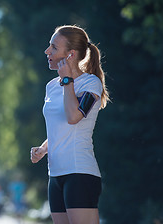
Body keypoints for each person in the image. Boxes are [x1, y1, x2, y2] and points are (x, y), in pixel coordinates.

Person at [30, 25, 110, 224]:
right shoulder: (51, 86)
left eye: (54, 47)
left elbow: (74, 116)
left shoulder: (90, 84)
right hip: (55, 175)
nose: (47, 51)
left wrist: (67, 80)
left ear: (71, 54)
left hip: (79, 172)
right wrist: (43, 148)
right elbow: (61, 128)